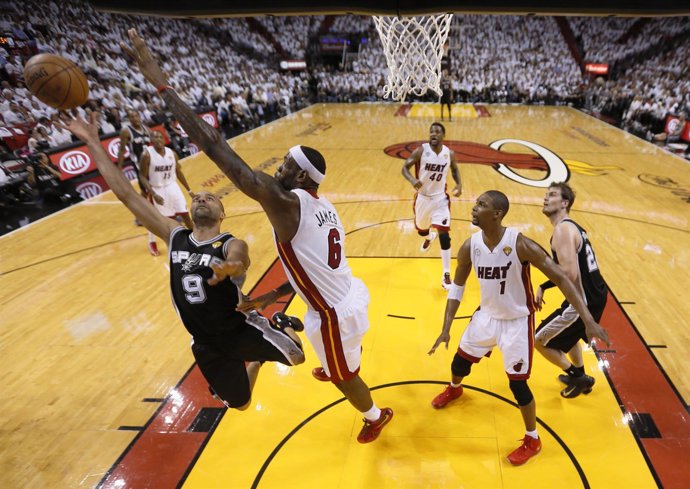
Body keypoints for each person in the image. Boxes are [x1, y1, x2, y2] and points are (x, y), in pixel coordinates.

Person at [122, 28, 393, 443]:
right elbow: (312, 266)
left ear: (301, 175)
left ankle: (374, 415)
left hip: (334, 313)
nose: (278, 169)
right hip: (342, 292)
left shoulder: (287, 202)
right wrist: (267, 298)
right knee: (331, 346)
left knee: (345, 377)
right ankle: (337, 357)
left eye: (285, 164)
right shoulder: (325, 206)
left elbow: (215, 145)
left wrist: (162, 85)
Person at [56, 112, 306, 411]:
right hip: (204, 341)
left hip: (238, 330)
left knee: (297, 356)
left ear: (222, 213)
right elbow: (125, 193)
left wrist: (231, 268)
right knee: (239, 404)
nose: (201, 198)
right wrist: (92, 141)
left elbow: (240, 259)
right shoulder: (175, 235)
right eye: (197, 197)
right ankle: (259, 361)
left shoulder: (229, 242)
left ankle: (280, 322)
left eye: (210, 198)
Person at [428, 190, 610, 466]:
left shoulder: (520, 244)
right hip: (486, 318)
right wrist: (446, 326)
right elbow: (458, 286)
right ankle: (454, 388)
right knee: (459, 363)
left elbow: (561, 276)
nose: (474, 209)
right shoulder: (470, 246)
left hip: (516, 322)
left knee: (518, 386)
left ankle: (532, 438)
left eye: (481, 205)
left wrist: (587, 319)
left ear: (497, 214)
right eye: (476, 204)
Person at [534, 182, 608, 398]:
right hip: (592, 294)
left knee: (539, 340)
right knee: (570, 335)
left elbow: (569, 274)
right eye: (546, 194)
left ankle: (578, 377)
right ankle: (580, 375)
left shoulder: (563, 230)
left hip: (583, 300)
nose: (546, 198)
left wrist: (543, 284)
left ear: (564, 203)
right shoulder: (571, 226)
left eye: (552, 195)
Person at [402, 122, 461, 289]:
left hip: (440, 199)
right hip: (422, 199)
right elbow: (405, 168)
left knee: (444, 235)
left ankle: (446, 275)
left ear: (443, 136)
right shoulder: (421, 150)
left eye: (437, 132)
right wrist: (412, 180)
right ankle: (429, 237)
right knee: (422, 230)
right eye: (431, 132)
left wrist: (459, 185)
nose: (433, 134)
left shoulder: (449, 154)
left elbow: (455, 170)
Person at [139, 130, 194, 256]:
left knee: (185, 214)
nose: (158, 140)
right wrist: (153, 193)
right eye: (155, 138)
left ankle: (194, 241)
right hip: (157, 188)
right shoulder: (146, 155)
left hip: (172, 186)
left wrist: (189, 190)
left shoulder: (172, 153)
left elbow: (178, 171)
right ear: (151, 141)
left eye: (160, 137)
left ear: (164, 139)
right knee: (161, 220)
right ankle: (152, 242)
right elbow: (142, 176)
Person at [117, 108, 151, 198]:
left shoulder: (147, 129)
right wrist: (119, 168)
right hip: (139, 164)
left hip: (150, 162)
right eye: (132, 117)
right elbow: (121, 150)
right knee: (145, 189)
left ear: (140, 117)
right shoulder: (126, 131)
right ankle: (143, 208)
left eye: (136, 116)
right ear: (129, 119)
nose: (135, 118)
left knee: (155, 186)